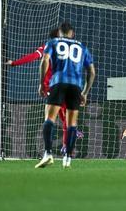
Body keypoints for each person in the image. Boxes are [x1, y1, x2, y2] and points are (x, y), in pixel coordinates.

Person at [5, 28, 83, 155]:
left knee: (65, 113)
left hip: (61, 85)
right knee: (63, 114)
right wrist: (14, 63)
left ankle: (68, 139)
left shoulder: (63, 50)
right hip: (51, 87)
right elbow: (33, 56)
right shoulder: (48, 47)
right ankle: (66, 143)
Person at [35, 22, 95, 168]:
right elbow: (92, 72)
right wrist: (85, 93)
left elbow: (45, 60)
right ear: (72, 33)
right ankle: (67, 157)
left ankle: (48, 153)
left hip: (58, 82)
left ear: (59, 33)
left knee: (49, 119)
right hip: (76, 86)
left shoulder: (53, 42)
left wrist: (42, 83)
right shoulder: (82, 46)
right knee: (72, 123)